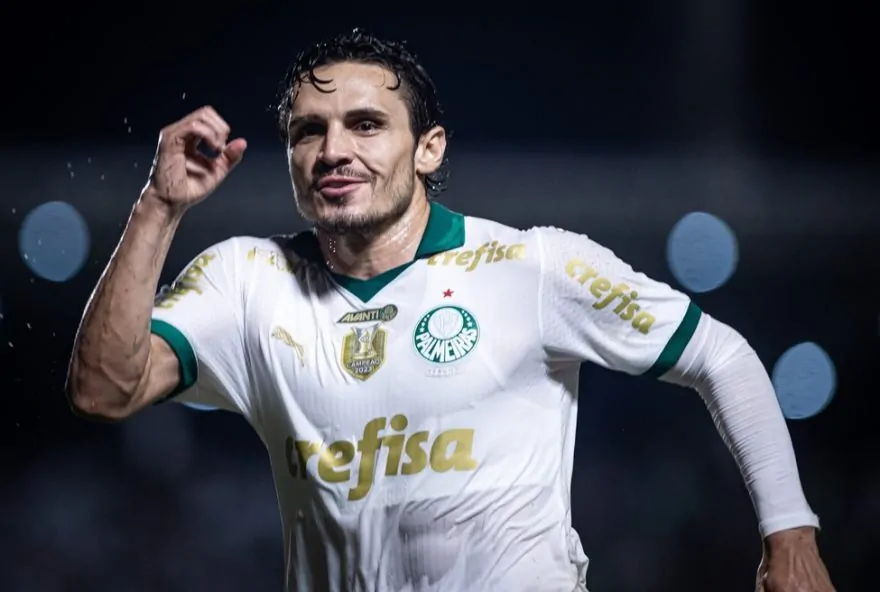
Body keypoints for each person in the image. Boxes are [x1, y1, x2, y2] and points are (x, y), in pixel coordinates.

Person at [66, 29, 834, 592]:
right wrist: (159, 207)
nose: (333, 150)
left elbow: (720, 355)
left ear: (428, 149)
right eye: (309, 132)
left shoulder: (533, 267)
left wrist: (790, 537)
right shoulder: (247, 280)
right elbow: (103, 388)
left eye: (366, 125)